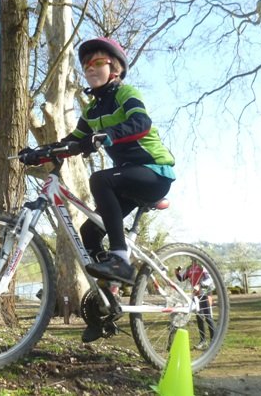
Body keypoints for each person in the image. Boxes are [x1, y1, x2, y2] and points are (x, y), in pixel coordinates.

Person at [60, 37, 176, 342]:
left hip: (155, 171)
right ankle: (106, 301)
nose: (90, 68)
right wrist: (42, 151)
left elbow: (141, 123)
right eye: (86, 65)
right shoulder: (93, 109)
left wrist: (106, 136)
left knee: (100, 179)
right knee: (89, 232)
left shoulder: (126, 93)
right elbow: (74, 140)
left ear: (115, 69)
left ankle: (121, 260)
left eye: (98, 62)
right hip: (126, 179)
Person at [175, 262, 215, 350]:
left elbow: (210, 279)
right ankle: (203, 341)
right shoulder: (189, 267)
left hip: (205, 293)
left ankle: (214, 341)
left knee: (208, 317)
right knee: (199, 317)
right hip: (195, 295)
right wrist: (177, 272)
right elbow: (182, 278)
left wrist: (200, 285)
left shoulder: (202, 265)